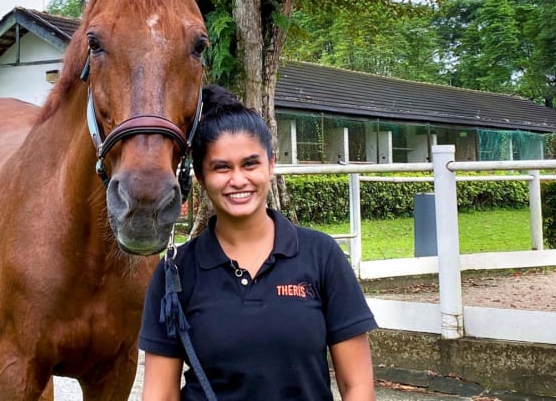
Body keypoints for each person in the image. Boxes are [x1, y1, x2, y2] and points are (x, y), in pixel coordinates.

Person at [138, 84, 378, 400]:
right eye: (221, 167)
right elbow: (160, 394)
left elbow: (357, 386)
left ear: (271, 164)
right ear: (200, 176)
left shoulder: (321, 256)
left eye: (250, 164)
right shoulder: (176, 272)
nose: (238, 180)